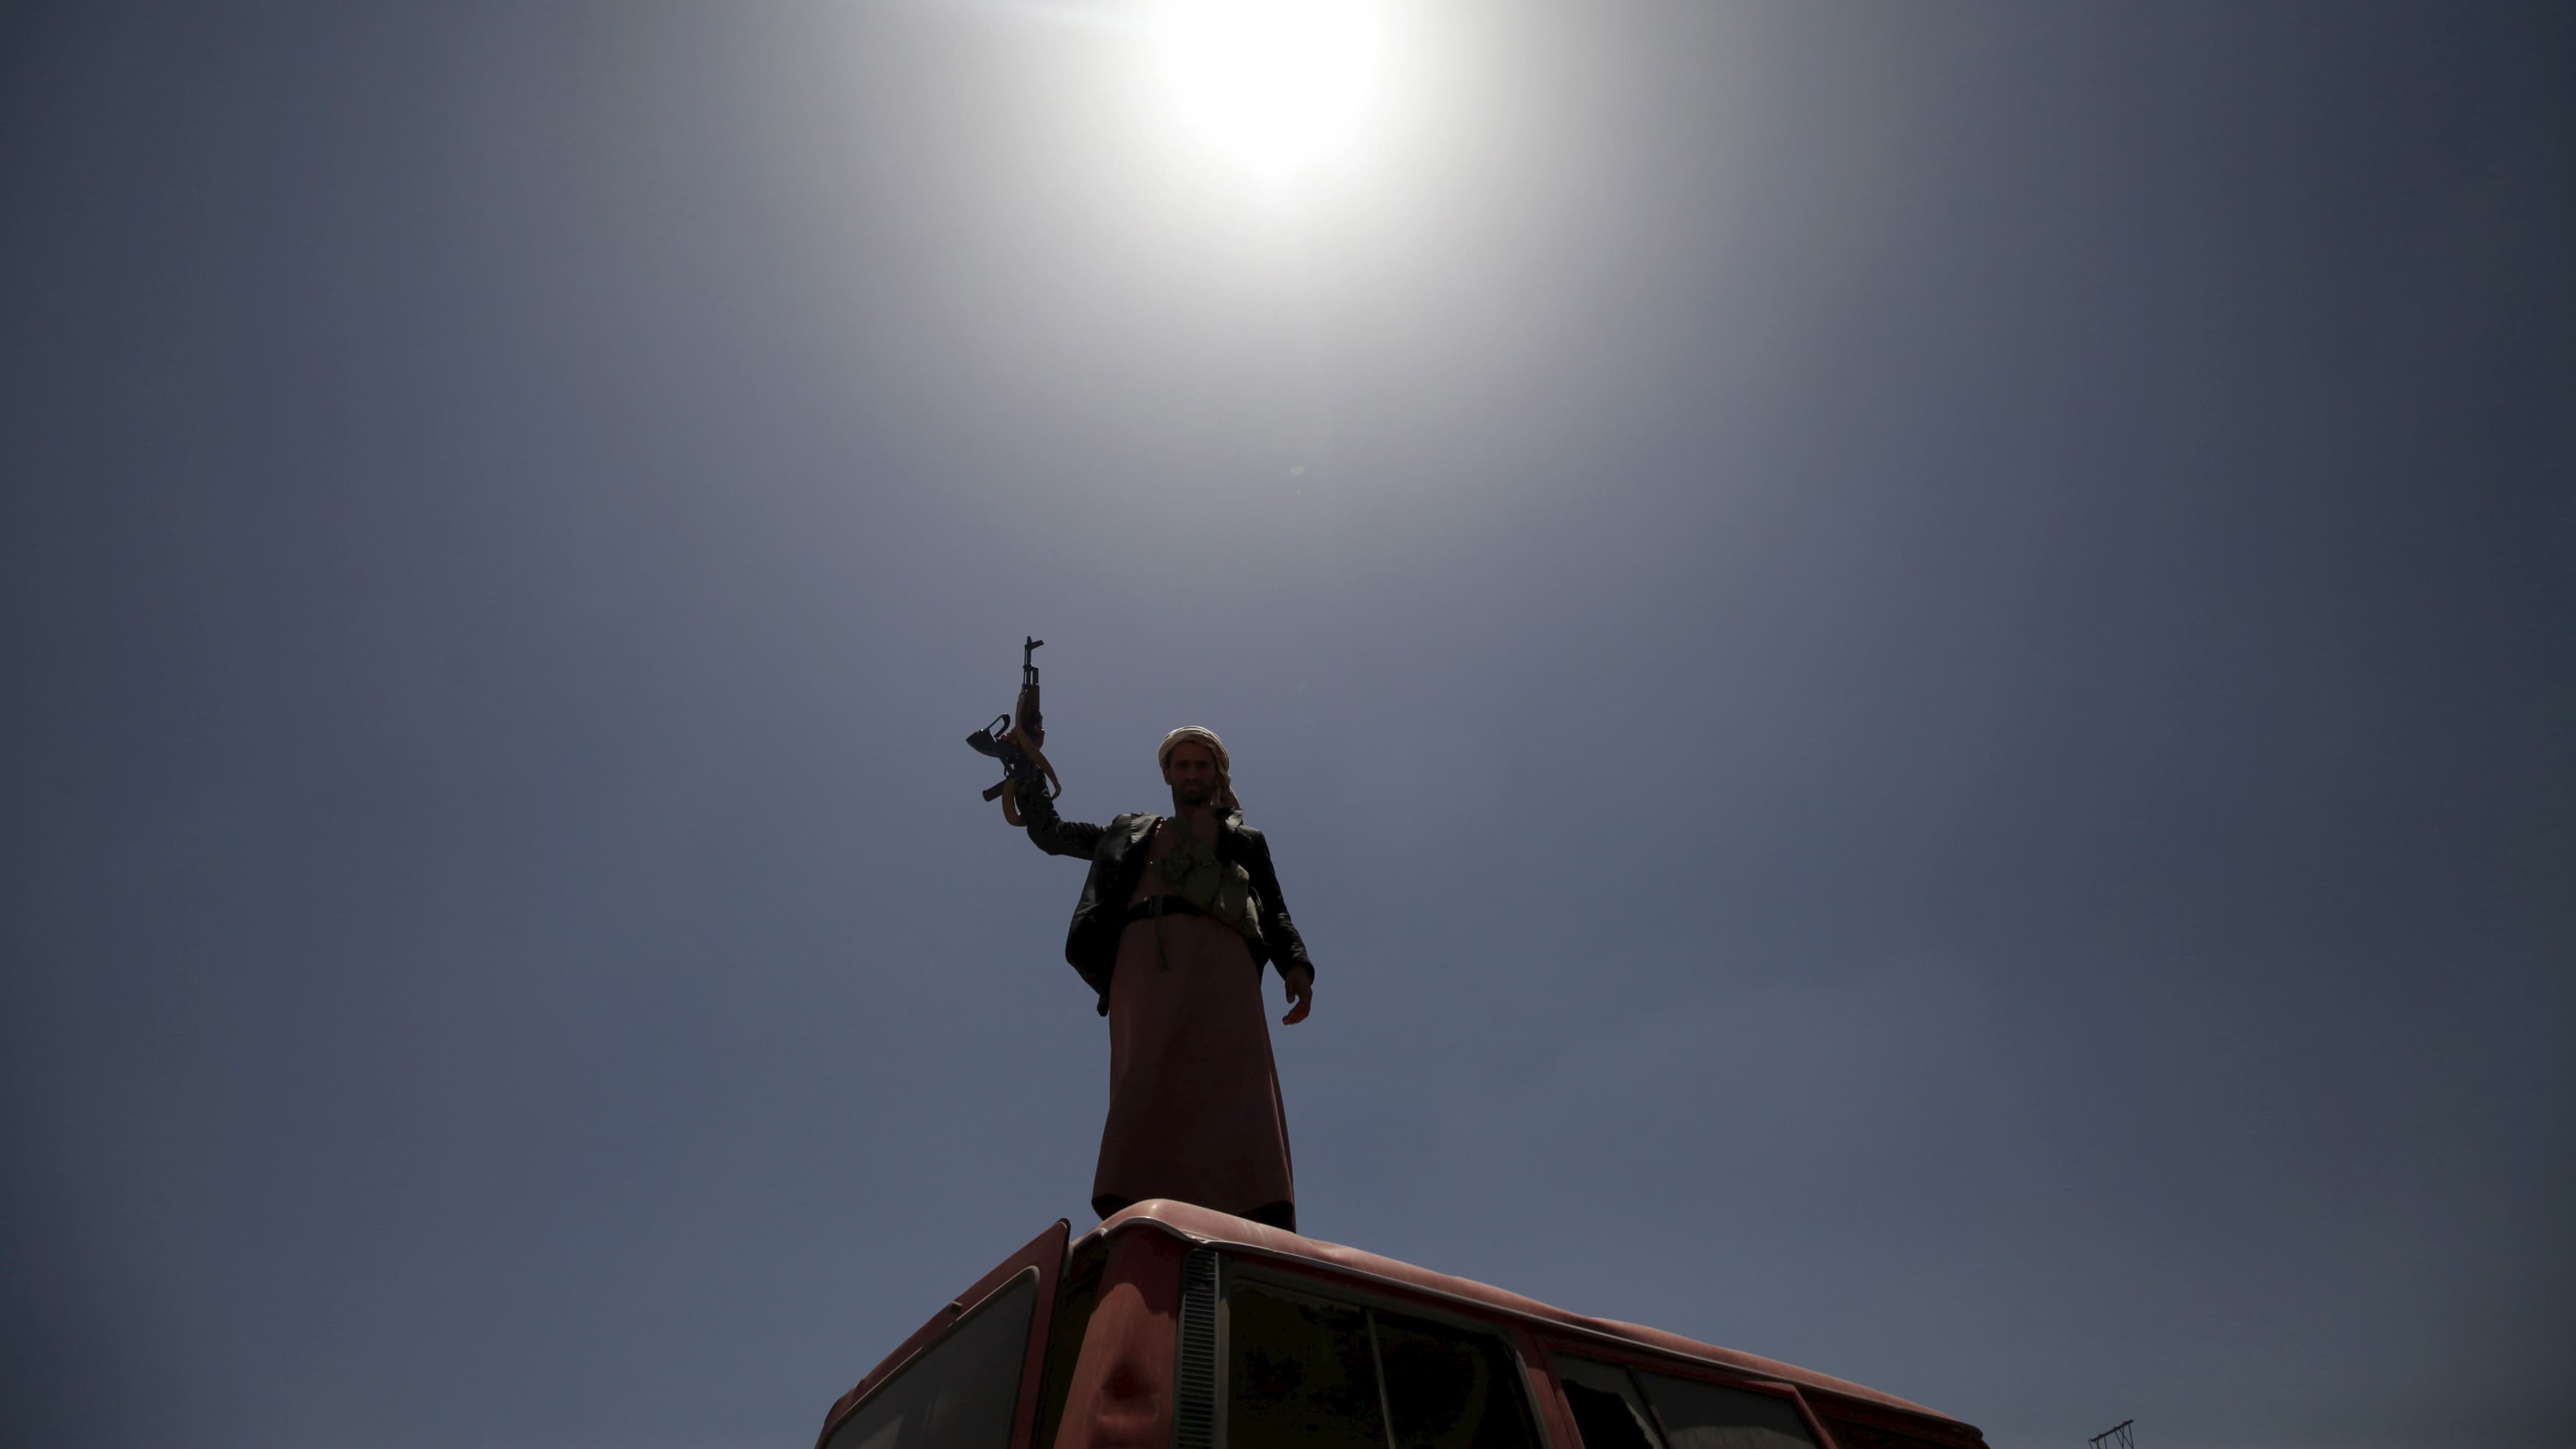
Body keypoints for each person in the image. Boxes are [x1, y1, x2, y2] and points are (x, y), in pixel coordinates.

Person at [1013, 726, 1314, 1231]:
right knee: (1145, 1075)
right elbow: (1051, 833)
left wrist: (1297, 967)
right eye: (1183, 765)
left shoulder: (1243, 840)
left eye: (1202, 765)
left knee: (1234, 1075)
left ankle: (1251, 1204)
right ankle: (1136, 1200)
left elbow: (1276, 910)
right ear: (1168, 775)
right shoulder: (1131, 831)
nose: (1192, 774)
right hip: (1143, 959)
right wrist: (1026, 765)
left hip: (1222, 960)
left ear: (1216, 773)